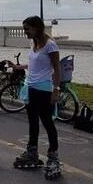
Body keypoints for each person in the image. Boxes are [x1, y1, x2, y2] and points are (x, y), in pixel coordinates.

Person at [14, 16, 61, 174]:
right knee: (32, 122)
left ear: (37, 27)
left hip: (44, 89)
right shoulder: (33, 42)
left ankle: (53, 156)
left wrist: (56, 89)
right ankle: (32, 151)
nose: (25, 32)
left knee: (47, 122)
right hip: (30, 87)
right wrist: (19, 66)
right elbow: (35, 63)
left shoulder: (51, 45)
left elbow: (56, 68)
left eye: (27, 29)